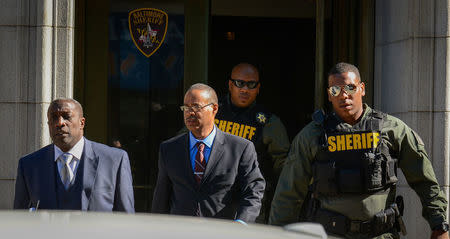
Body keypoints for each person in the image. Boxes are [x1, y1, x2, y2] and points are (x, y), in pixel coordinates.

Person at [269, 62, 449, 239]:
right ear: (329, 95)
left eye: (350, 88)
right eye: (335, 90)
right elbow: (288, 195)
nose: (343, 95)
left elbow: (425, 181)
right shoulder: (311, 136)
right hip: (330, 235)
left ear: (362, 88)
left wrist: (439, 225)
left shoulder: (392, 130)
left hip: (380, 234)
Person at [151, 83, 265, 223]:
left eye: (196, 107)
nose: (189, 112)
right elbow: (161, 197)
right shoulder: (169, 149)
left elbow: (253, 191)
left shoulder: (240, 148)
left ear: (214, 108)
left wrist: (241, 224)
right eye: (186, 107)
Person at [14, 98, 135, 212]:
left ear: (82, 123)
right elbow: (19, 221)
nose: (59, 123)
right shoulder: (29, 165)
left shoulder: (114, 160)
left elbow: (126, 217)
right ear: (48, 124)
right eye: (54, 118)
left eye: (66, 117)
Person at [214, 62, 290, 223]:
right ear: (230, 85)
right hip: (213, 194)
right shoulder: (212, 111)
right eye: (239, 83)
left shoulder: (268, 122)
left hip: (249, 199)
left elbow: (284, 167)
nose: (245, 89)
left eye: (251, 84)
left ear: (258, 88)